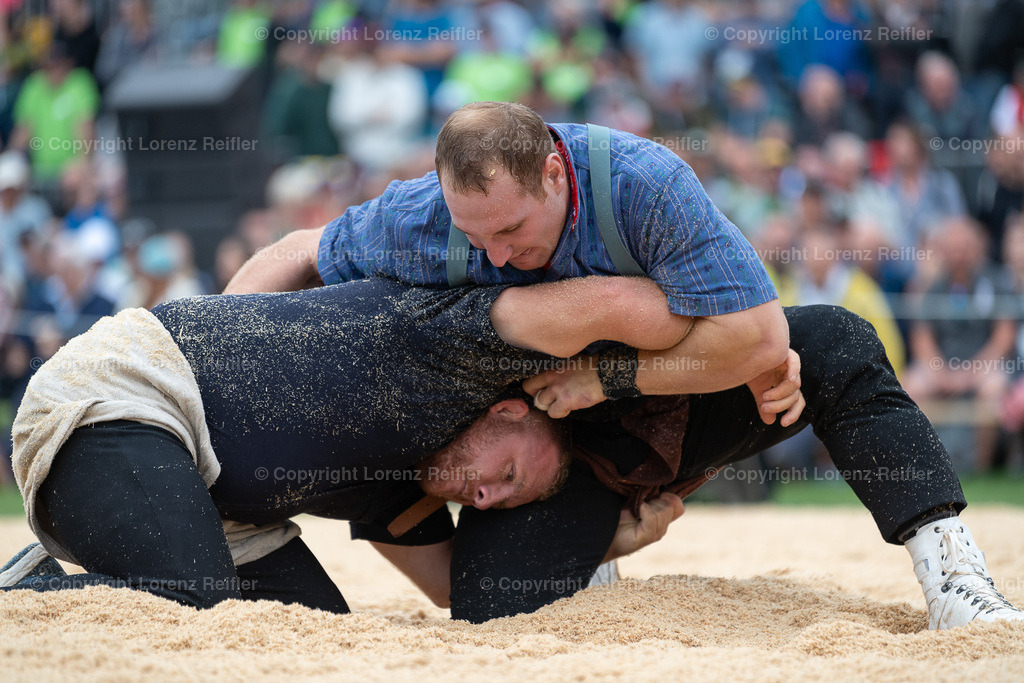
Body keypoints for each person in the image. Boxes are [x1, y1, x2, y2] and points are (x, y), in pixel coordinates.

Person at [225, 101, 1022, 629]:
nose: (496, 254)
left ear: (551, 173)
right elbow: (295, 252)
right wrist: (214, 365)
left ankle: (951, 571)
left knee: (835, 342)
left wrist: (605, 377)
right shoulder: (419, 219)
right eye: (478, 240)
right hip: (552, 439)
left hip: (672, 386)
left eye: (510, 230)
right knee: (490, 603)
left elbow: (756, 341)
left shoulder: (643, 183)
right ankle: (603, 548)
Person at [0, 275, 690, 612]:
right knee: (195, 594)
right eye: (505, 471)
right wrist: (744, 344)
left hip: (217, 498)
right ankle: (26, 591)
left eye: (500, 499)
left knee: (316, 623)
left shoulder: (401, 485)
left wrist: (611, 542)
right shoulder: (439, 354)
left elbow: (461, 590)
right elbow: (617, 305)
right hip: (127, 388)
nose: (485, 495)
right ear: (507, 409)